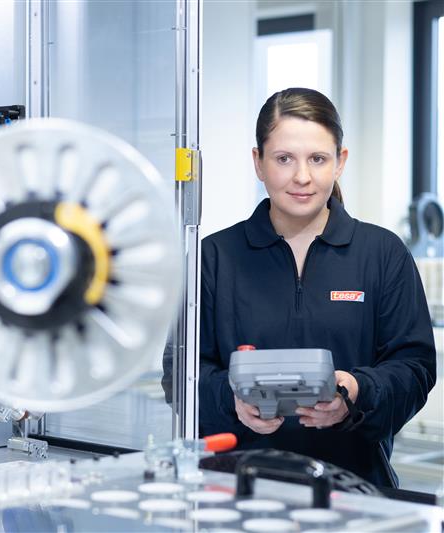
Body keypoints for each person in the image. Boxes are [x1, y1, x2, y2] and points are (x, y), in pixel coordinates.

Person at [162, 87, 436, 487]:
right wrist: (232, 400)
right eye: (284, 159)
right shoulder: (214, 258)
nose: (302, 176)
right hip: (233, 491)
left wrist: (356, 391)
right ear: (258, 162)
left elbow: (415, 369)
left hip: (353, 491)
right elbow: (179, 372)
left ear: (340, 162)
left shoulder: (382, 254)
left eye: (318, 159)